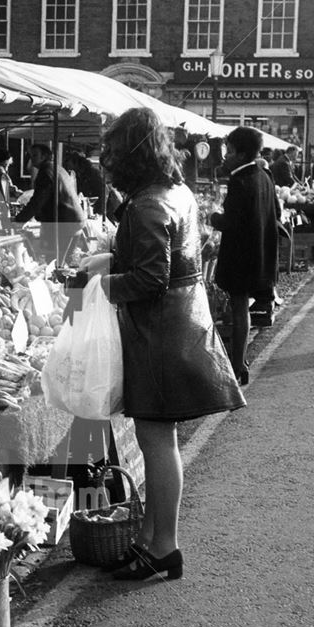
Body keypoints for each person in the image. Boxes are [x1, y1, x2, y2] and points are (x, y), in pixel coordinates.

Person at [79, 107, 245, 581]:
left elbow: (151, 278)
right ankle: (151, 539)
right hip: (177, 324)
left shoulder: (148, 203)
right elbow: (169, 260)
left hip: (160, 334)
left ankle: (165, 545)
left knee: (157, 440)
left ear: (129, 153)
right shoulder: (176, 192)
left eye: (112, 149)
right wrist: (110, 257)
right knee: (158, 439)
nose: (106, 158)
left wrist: (105, 285)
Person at [208, 127, 281, 382]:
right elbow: (277, 214)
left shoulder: (241, 181)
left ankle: (238, 365)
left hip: (241, 255)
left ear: (240, 153)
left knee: (239, 308)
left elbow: (231, 222)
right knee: (243, 307)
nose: (225, 157)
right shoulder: (264, 175)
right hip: (260, 252)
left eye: (228, 151)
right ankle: (240, 358)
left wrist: (212, 217)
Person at [14, 144, 86, 263]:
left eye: (35, 155)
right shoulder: (56, 168)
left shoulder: (46, 172)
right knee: (62, 262)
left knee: (54, 262)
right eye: (31, 156)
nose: (32, 159)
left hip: (64, 223)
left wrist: (19, 220)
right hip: (73, 220)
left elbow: (37, 201)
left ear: (44, 156)